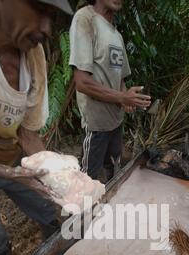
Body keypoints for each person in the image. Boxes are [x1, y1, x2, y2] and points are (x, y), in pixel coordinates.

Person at [0, 0, 73, 255]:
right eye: (39, 10)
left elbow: (28, 134)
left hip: (11, 159)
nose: (47, 28)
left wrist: (61, 180)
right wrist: (10, 174)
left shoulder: (34, 56)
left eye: (51, 17)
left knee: (49, 212)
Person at [69, 0, 151, 182]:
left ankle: (107, 208)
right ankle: (79, 210)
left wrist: (127, 97)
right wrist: (122, 97)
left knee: (113, 171)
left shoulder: (117, 35)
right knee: (86, 180)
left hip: (115, 121)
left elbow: (120, 77)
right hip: (96, 123)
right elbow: (82, 82)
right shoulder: (86, 18)